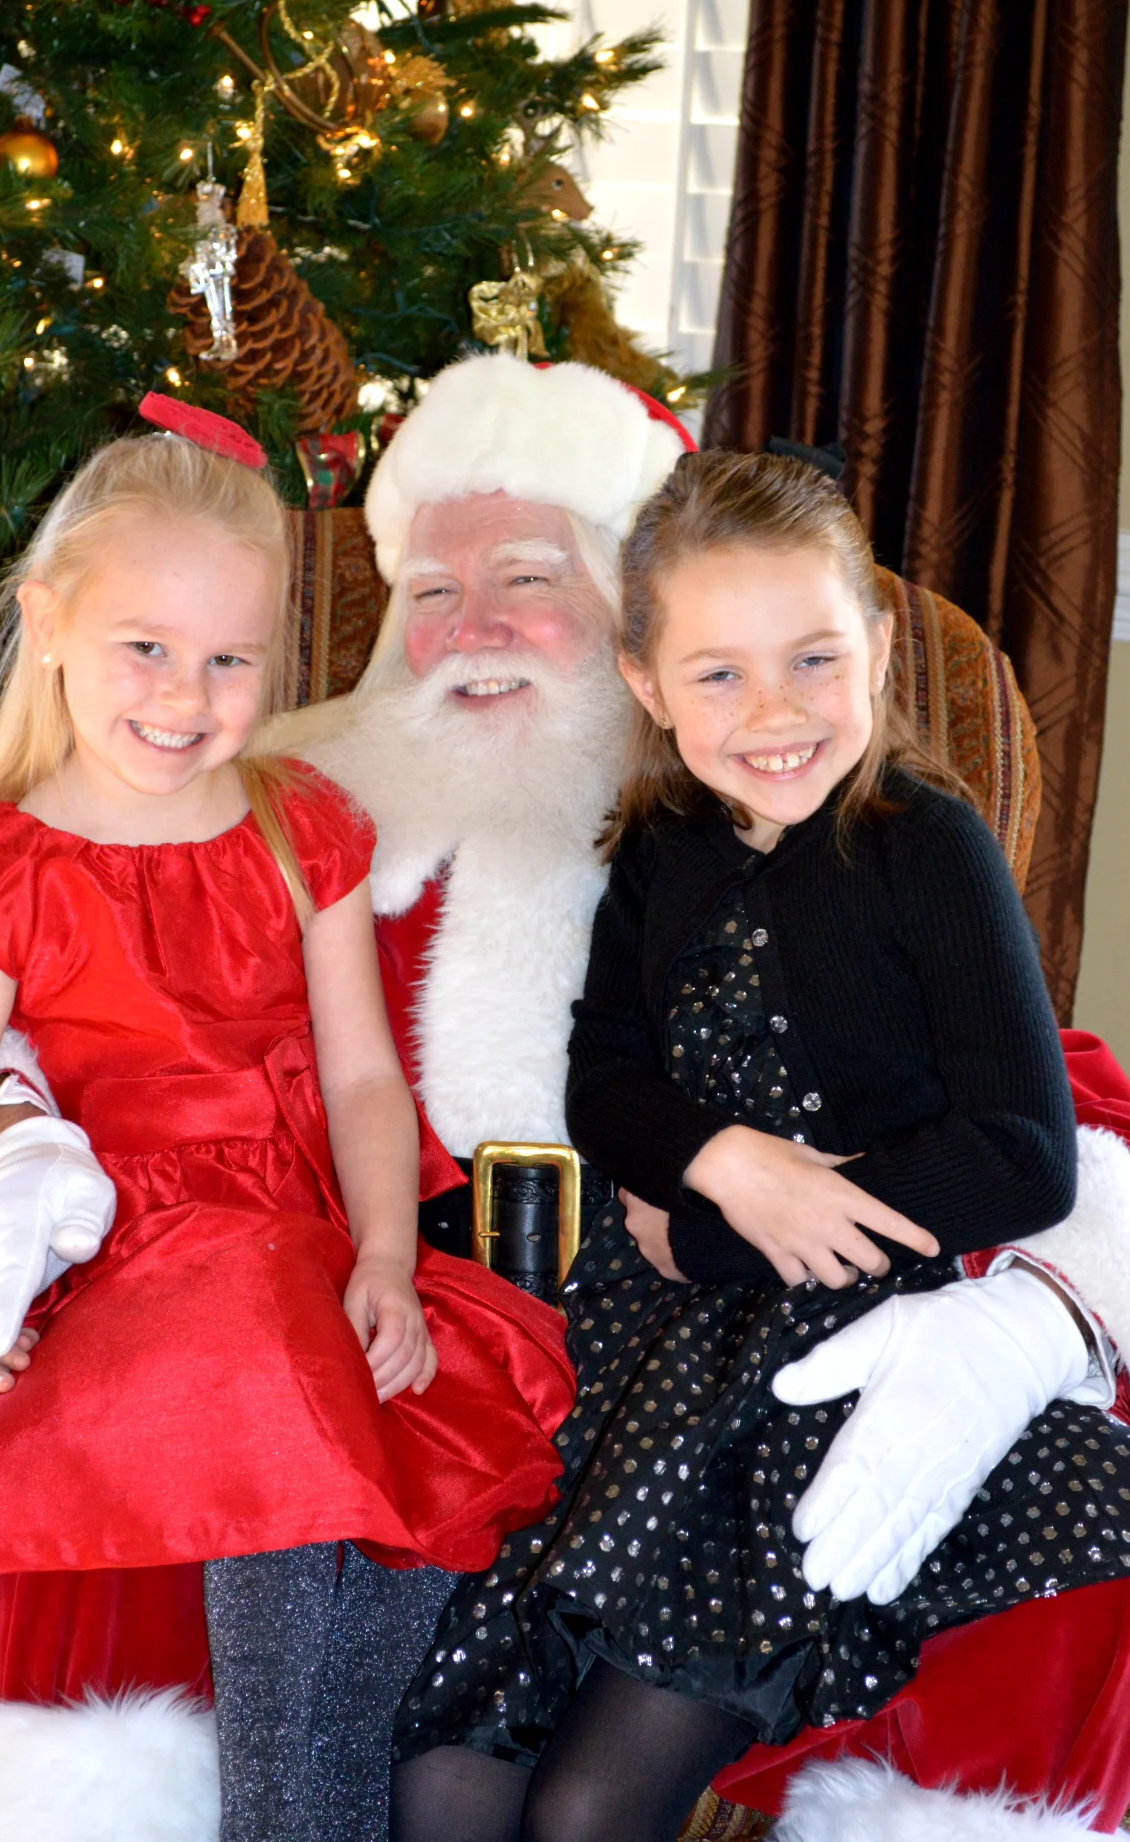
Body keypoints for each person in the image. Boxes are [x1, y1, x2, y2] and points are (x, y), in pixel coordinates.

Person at [0, 355, 1128, 1840]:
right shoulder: (284, 819)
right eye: (432, 593)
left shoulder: (813, 832)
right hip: (427, 1318)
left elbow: (1048, 1113)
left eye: (527, 578)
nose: (473, 629)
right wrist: (18, 1138)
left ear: (627, 633)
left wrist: (1037, 1316)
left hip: (663, 1330)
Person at [0, 395, 571, 1842]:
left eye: (230, 661)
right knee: (237, 1348)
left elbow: (363, 1080)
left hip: (290, 1253)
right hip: (105, 1263)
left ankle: (307, 1771)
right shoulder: (4, 870)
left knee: (423, 1442)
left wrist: (387, 1255)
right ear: (49, 625)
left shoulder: (296, 829)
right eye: (148, 649)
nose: (185, 697)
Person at [388, 447, 1130, 1842]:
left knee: (586, 1808)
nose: (775, 713)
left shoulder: (929, 847)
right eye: (719, 674)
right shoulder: (661, 841)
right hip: (644, 1354)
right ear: (647, 683)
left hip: (826, 1364)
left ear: (879, 647)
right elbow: (606, 1082)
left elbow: (1028, 1154)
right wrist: (725, 1159)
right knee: (446, 1774)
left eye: (813, 661)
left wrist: (719, 1228)